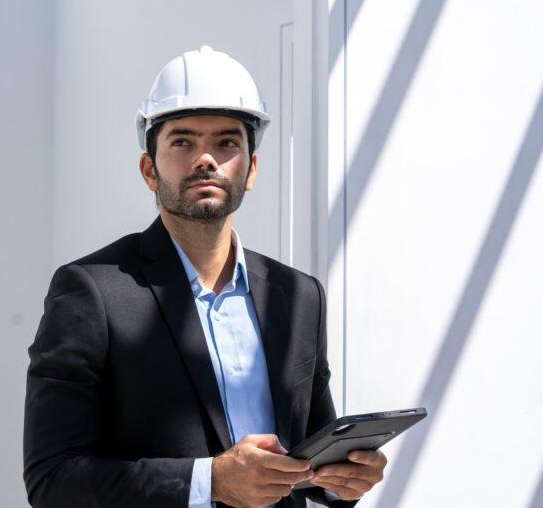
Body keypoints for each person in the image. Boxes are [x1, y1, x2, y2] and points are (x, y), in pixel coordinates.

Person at [23, 46, 387, 507]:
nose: (206, 159)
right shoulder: (91, 291)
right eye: (182, 142)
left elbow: (309, 460)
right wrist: (210, 481)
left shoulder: (298, 296)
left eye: (227, 143)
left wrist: (342, 480)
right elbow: (52, 479)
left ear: (251, 169)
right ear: (148, 170)